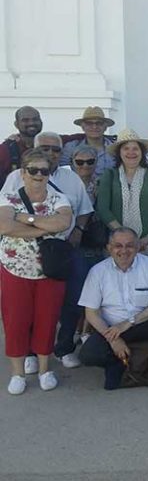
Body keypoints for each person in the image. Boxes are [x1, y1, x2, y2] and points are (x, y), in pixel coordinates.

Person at [1, 132, 94, 370]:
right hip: (22, 260)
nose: (50, 153)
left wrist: (78, 230)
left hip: (63, 249)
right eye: (45, 148)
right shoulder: (15, 178)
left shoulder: (71, 178)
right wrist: (44, 226)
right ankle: (31, 355)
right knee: (26, 310)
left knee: (70, 300)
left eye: (55, 149)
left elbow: (79, 212)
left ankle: (63, 348)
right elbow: (5, 224)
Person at [0, 148, 72, 394]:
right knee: (16, 321)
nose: (39, 175)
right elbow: (4, 226)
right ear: (23, 172)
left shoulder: (58, 197)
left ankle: (44, 369)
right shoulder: (8, 197)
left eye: (44, 170)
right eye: (33, 170)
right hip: (15, 269)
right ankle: (18, 373)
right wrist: (44, 227)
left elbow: (62, 222)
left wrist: (25, 218)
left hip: (49, 271)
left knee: (47, 319)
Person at [79, 228, 148, 388]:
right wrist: (113, 340)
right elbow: (91, 314)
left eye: (130, 246)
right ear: (109, 248)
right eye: (118, 246)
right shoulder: (97, 272)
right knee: (87, 355)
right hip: (112, 329)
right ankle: (121, 362)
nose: (124, 251)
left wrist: (129, 322)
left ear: (138, 246)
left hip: (142, 323)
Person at [97, 129, 148, 260]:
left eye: (135, 148)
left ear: (142, 152)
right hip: (118, 244)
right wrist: (126, 237)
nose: (131, 152)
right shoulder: (110, 175)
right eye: (126, 148)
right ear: (119, 152)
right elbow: (103, 208)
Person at [60, 106, 117, 177]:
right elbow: (62, 170)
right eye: (89, 123)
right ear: (83, 127)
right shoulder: (71, 147)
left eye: (99, 123)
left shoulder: (115, 148)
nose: (94, 127)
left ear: (105, 127)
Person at [0, 106, 42, 187]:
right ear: (16, 124)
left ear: (41, 122)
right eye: (25, 120)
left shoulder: (53, 144)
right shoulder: (4, 150)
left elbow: (73, 138)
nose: (31, 123)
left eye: (35, 119)